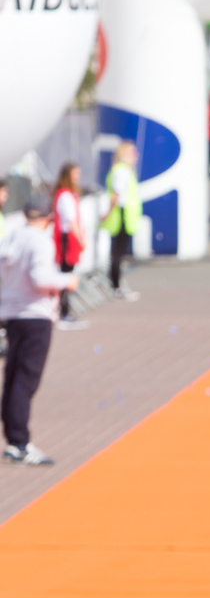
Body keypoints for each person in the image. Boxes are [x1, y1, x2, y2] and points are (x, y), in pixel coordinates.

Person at [0, 195, 80, 466]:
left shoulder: (12, 236)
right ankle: (20, 442)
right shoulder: (40, 241)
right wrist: (67, 281)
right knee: (25, 378)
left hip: (13, 313)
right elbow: (40, 278)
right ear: (48, 219)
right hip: (35, 315)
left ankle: (13, 440)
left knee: (13, 376)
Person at [101, 141, 142, 302]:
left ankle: (117, 284)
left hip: (125, 216)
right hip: (122, 217)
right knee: (118, 253)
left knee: (119, 253)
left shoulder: (123, 171)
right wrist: (107, 213)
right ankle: (116, 285)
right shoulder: (121, 171)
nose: (136, 156)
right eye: (133, 153)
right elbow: (116, 196)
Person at [51, 163, 88, 331]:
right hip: (67, 239)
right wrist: (81, 239)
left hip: (69, 238)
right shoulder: (65, 196)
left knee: (67, 274)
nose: (77, 178)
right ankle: (63, 312)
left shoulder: (67, 194)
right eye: (74, 174)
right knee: (65, 275)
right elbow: (71, 220)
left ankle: (65, 311)